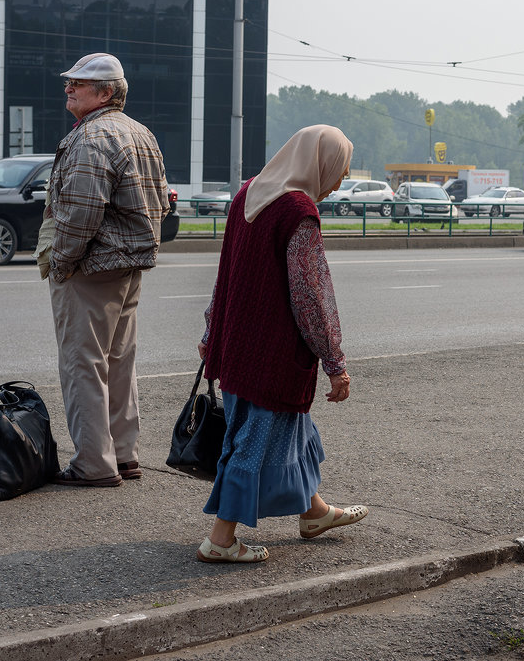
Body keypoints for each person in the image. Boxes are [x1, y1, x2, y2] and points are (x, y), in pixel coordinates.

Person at [197, 124, 367, 563]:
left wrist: (211, 330)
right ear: (319, 164)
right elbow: (312, 297)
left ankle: (315, 513)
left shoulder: (248, 194)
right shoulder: (296, 210)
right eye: (339, 171)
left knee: (292, 431)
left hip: (236, 342)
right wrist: (335, 362)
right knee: (252, 442)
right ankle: (220, 540)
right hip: (270, 353)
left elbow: (226, 272)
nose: (339, 182)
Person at [43, 52, 171, 486]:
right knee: (119, 361)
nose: (68, 88)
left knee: (83, 363)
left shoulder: (91, 138)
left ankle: (93, 465)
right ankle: (123, 454)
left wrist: (61, 263)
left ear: (106, 93)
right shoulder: (140, 133)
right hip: (129, 264)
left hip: (91, 267)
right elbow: (161, 201)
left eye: (78, 83)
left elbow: (80, 213)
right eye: (69, 81)